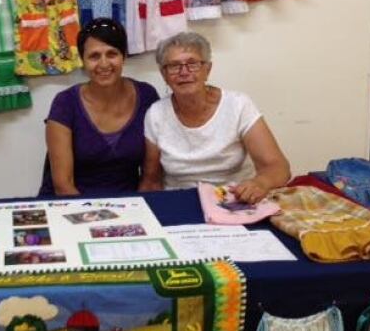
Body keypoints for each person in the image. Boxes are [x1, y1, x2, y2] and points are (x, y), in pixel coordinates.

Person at [139, 31, 290, 203]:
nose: (184, 72)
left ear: (207, 69)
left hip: (236, 200)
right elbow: (151, 180)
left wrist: (260, 183)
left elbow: (278, 167)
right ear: (164, 74)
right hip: (178, 202)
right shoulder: (156, 114)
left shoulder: (238, 105)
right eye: (174, 66)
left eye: (192, 63)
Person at [39, 18, 160, 196]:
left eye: (112, 54)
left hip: (130, 205)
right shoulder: (65, 103)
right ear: (82, 60)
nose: (104, 64)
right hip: (70, 207)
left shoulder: (147, 96)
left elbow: (151, 177)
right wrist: (93, 218)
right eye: (94, 56)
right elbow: (63, 185)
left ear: (124, 56)